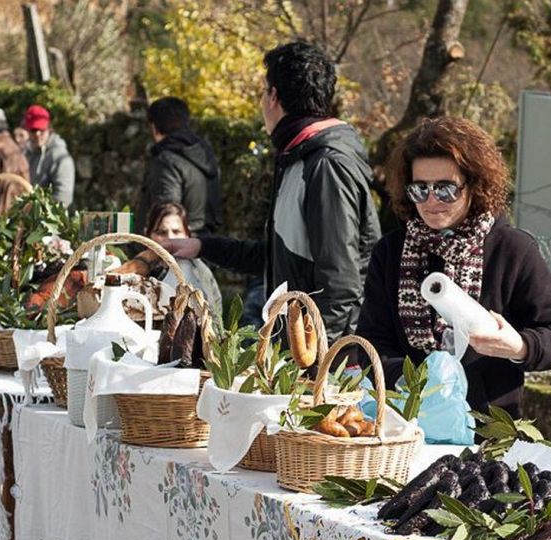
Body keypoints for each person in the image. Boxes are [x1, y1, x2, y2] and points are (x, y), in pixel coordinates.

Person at [355, 116, 551, 417]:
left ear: (474, 185)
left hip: (488, 429)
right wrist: (418, 385)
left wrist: (520, 346)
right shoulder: (391, 251)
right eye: (420, 189)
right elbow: (371, 342)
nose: (431, 201)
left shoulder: (512, 250)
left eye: (446, 189)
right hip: (405, 422)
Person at [165, 40, 380, 340]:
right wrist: (203, 246)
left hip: (321, 361)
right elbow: (280, 258)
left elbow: (340, 283)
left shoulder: (326, 165)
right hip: (296, 346)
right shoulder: (298, 158)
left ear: (274, 96)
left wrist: (313, 364)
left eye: (263, 92)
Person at [138, 97, 222, 236]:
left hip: (175, 249)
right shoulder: (205, 156)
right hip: (204, 244)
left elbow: (165, 218)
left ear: (154, 127)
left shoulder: (167, 161)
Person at [144, 202, 222, 317]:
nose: (170, 238)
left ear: (187, 235)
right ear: (148, 236)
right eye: (161, 232)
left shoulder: (194, 272)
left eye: (176, 232)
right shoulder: (142, 267)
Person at [23, 105, 75, 208]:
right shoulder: (26, 153)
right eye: (33, 130)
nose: (37, 134)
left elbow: (63, 197)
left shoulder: (60, 157)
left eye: (41, 130)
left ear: (49, 129)